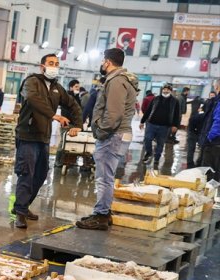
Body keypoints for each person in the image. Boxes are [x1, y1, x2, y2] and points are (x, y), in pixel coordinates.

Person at [13, 53, 82, 228]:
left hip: (43, 137)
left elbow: (72, 104)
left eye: (57, 63)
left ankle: (24, 205)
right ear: (42, 66)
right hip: (27, 135)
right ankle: (20, 212)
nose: (54, 66)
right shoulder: (31, 82)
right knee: (26, 173)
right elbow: (33, 100)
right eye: (51, 63)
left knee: (41, 174)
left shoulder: (57, 88)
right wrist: (54, 115)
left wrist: (77, 124)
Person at [76, 48, 139, 231]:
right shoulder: (122, 80)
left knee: (104, 177)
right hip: (117, 134)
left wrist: (101, 132)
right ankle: (103, 212)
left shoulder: (117, 81)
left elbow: (113, 114)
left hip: (113, 135)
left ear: (108, 62)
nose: (102, 64)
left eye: (103, 61)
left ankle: (102, 215)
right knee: (107, 176)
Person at [139, 84, 181, 168]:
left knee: (160, 143)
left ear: (170, 91)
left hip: (165, 127)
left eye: (167, 90)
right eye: (164, 89)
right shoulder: (156, 99)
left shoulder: (175, 101)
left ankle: (157, 159)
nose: (165, 91)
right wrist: (142, 121)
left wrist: (175, 125)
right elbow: (148, 110)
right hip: (151, 124)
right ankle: (149, 153)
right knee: (147, 138)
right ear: (162, 90)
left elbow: (177, 114)